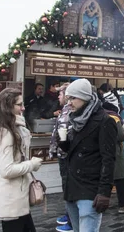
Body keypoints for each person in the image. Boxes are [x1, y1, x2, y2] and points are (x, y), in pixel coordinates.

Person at [57, 79, 116, 232]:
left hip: (90, 189)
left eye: (72, 98)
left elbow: (108, 159)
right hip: (72, 187)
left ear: (85, 98)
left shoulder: (105, 121)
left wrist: (104, 192)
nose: (69, 102)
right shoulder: (76, 118)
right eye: (68, 98)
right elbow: (79, 149)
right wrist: (65, 144)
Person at [0, 88, 43, 232]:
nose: (23, 108)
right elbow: (7, 170)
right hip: (11, 199)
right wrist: (32, 164)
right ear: (8, 106)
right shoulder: (4, 133)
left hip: (17, 197)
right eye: (19, 104)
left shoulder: (11, 129)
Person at [102, 101, 124, 214]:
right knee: (120, 178)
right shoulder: (114, 118)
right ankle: (123, 204)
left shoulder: (97, 116)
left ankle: (101, 204)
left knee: (103, 178)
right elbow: (121, 135)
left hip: (101, 152)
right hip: (115, 150)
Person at [49, 84, 73, 231]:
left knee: (69, 187)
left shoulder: (69, 112)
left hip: (67, 156)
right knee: (66, 186)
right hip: (62, 154)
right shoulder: (64, 110)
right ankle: (68, 213)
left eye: (60, 94)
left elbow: (64, 134)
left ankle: (71, 220)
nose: (58, 96)